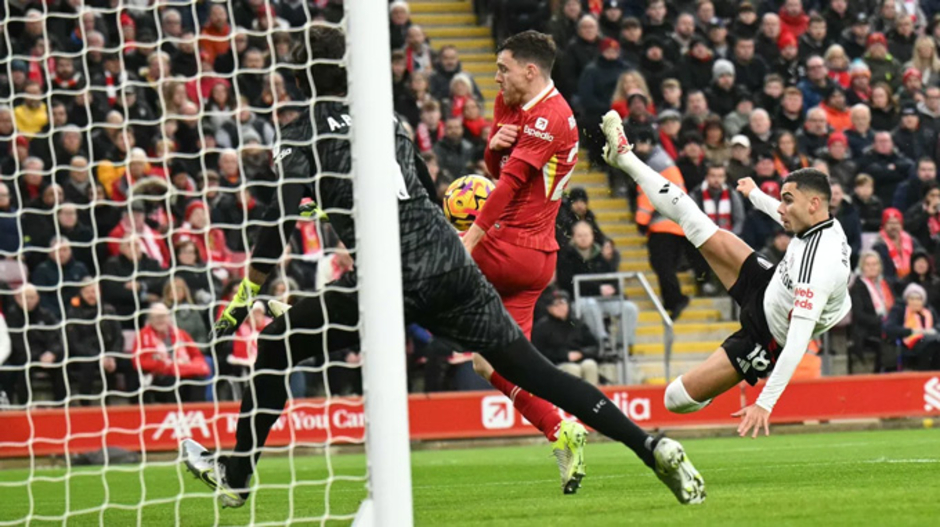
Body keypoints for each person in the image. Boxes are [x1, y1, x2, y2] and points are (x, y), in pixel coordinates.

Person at [182, 26, 704, 509]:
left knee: (276, 344)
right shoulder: (392, 121)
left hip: (393, 277)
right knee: (536, 372)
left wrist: (245, 290)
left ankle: (237, 473)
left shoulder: (301, 135)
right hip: (452, 265)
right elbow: (430, 198)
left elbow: (276, 226)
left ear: (298, 80)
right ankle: (649, 445)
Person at [601, 112, 852, 438]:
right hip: (770, 285)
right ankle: (626, 158)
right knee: (695, 220)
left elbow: (796, 343)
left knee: (674, 398)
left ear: (814, 203)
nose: (781, 207)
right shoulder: (816, 221)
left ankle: (714, 385)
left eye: (787, 201)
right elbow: (784, 217)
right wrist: (755, 195)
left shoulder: (820, 264)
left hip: (769, 335)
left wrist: (765, 403)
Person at [532, 290, 601, 385]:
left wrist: (581, 353)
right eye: (556, 305)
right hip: (556, 364)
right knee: (572, 369)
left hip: (580, 359)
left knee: (590, 365)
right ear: (549, 308)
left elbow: (594, 346)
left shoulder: (576, 323)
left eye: (563, 303)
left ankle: (593, 398)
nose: (561, 307)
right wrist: (564, 355)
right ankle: (574, 398)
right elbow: (538, 353)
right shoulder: (541, 327)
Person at [849, 251, 895, 373]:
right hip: (867, 329)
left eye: (875, 264)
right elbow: (859, 315)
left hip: (887, 325)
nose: (872, 267)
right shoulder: (858, 287)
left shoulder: (886, 284)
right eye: (868, 264)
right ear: (862, 267)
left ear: (880, 266)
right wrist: (880, 321)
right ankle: (882, 373)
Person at [885, 283, 940, 371]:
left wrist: (933, 330)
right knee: (931, 343)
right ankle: (924, 373)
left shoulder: (929, 311)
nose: (915, 302)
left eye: (918, 299)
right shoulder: (899, 310)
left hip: (930, 340)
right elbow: (889, 328)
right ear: (907, 300)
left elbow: (938, 325)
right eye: (912, 299)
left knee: (935, 342)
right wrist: (913, 331)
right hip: (909, 343)